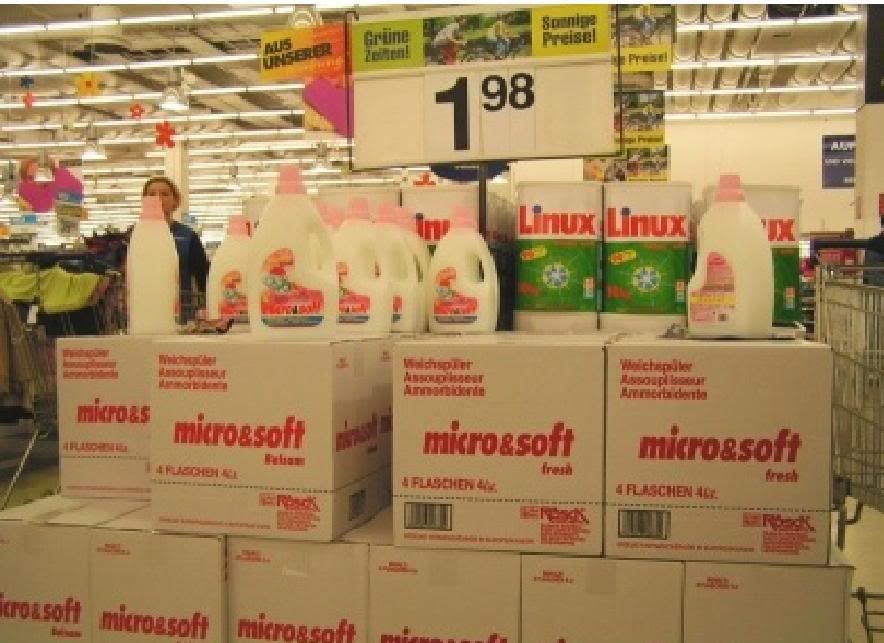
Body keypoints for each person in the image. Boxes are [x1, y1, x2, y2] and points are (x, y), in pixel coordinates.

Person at [141, 177, 209, 320]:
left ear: (175, 201)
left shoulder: (188, 236)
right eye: (152, 194)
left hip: (180, 315)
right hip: (142, 312)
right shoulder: (134, 235)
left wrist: (209, 308)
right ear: (144, 201)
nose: (158, 198)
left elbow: (203, 277)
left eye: (165, 194)